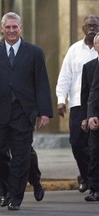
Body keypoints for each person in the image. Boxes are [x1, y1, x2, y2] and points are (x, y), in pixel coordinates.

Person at [0, 12, 53, 211]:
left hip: (23, 112)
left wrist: (44, 111)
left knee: (21, 156)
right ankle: (9, 185)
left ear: (21, 28)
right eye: (8, 27)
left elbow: (42, 84)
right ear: (2, 29)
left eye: (15, 27)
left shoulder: (35, 52)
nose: (11, 31)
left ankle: (15, 197)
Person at [56, 15, 99, 193]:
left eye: (95, 25)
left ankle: (92, 180)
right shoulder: (74, 49)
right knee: (76, 143)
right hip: (78, 103)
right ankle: (86, 175)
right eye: (88, 25)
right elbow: (65, 75)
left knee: (94, 145)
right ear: (82, 28)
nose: (91, 28)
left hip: (96, 104)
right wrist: (60, 99)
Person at [84, 33, 99, 202]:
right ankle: (95, 189)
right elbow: (92, 92)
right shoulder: (91, 67)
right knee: (95, 153)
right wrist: (89, 116)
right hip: (97, 117)